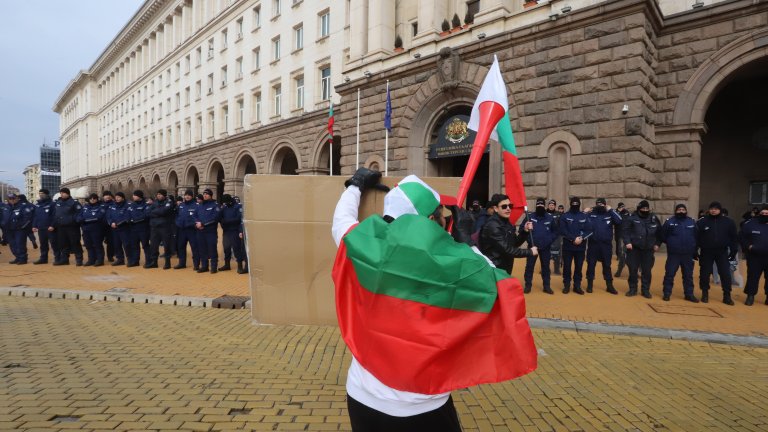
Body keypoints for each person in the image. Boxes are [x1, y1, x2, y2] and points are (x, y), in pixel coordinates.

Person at [331, 169, 536, 432]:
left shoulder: (362, 246)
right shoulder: (457, 265)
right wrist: (466, 243)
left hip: (362, 396)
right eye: (441, 215)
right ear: (429, 219)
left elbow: (341, 219)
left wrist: (355, 186)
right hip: (422, 406)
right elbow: (499, 285)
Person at [479, 194, 536, 275]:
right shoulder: (492, 225)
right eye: (504, 206)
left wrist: (525, 231)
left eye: (510, 205)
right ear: (496, 209)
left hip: (505, 267)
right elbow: (507, 250)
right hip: (494, 268)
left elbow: (514, 243)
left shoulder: (506, 222)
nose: (508, 208)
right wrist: (529, 252)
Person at [696, 201, 738, 305]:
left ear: (720, 210)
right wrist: (695, 250)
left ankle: (727, 295)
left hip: (722, 252)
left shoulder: (728, 222)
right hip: (706, 252)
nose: (713, 210)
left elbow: (734, 237)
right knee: (704, 274)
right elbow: (696, 237)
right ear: (709, 210)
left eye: (716, 208)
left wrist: (734, 250)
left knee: (725, 274)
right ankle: (705, 293)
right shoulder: (702, 222)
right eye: (711, 208)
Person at [622, 200, 662, 298]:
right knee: (633, 270)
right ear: (639, 209)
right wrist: (627, 242)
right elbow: (625, 231)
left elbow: (660, 233)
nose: (645, 210)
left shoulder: (653, 218)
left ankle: (645, 290)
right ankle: (632, 289)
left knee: (647, 271)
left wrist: (657, 244)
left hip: (648, 249)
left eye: (646, 208)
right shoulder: (632, 218)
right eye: (643, 208)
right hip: (634, 249)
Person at [660, 204, 699, 302]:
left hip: (687, 254)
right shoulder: (670, 222)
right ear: (675, 211)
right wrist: (671, 243)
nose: (681, 211)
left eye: (683, 209)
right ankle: (667, 293)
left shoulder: (691, 221)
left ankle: (689, 294)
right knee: (670, 274)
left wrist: (694, 249)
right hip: (674, 254)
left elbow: (696, 236)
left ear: (686, 211)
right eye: (679, 209)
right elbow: (663, 235)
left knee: (688, 275)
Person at [585, 198, 622, 294]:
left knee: (607, 265)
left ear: (605, 205)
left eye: (602, 204)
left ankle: (609, 286)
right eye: (598, 204)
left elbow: (619, 221)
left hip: (606, 245)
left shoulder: (609, 214)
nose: (600, 205)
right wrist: (584, 212)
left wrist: (611, 210)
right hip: (593, 244)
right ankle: (589, 285)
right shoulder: (591, 214)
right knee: (591, 264)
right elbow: (580, 220)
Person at [559, 197, 592, 294]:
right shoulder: (565, 216)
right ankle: (566, 285)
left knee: (579, 267)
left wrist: (581, 238)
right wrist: (573, 239)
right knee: (567, 266)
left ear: (579, 204)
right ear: (570, 204)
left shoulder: (584, 216)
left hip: (580, 247)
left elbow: (589, 230)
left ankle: (577, 286)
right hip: (568, 247)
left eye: (576, 203)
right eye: (573, 203)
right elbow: (562, 230)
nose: (575, 205)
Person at [523, 198, 556, 294]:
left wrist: (549, 240)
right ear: (536, 206)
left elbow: (555, 231)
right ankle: (528, 285)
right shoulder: (529, 217)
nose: (540, 207)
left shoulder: (550, 218)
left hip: (545, 247)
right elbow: (522, 229)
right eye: (538, 205)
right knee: (529, 266)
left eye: (542, 205)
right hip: (532, 247)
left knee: (545, 267)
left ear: (544, 206)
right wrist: (530, 241)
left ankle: (547, 286)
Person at [741, 205, 768, 306]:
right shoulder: (750, 224)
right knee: (753, 277)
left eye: (767, 214)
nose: (765, 215)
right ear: (759, 214)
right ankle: (750, 296)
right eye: (763, 213)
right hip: (754, 256)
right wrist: (748, 246)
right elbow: (742, 237)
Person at [50, 187, 84, 266]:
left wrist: (74, 220)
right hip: (61, 227)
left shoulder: (74, 203)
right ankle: (64, 259)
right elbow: (56, 215)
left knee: (75, 243)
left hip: (72, 227)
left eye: (63, 193)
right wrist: (53, 225)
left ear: (68, 193)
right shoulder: (58, 203)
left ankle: (79, 259)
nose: (62, 194)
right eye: (61, 193)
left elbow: (79, 213)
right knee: (63, 244)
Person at [195, 189, 221, 273]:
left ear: (211, 195)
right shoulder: (200, 205)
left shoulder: (215, 205)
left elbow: (215, 218)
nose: (205, 195)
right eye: (204, 194)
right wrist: (197, 223)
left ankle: (213, 267)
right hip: (200, 231)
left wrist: (203, 224)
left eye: (207, 194)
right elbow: (195, 216)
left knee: (212, 249)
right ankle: (204, 266)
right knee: (202, 249)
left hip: (210, 231)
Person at [147, 189, 175, 269]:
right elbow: (148, 212)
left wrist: (155, 212)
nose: (158, 195)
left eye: (160, 194)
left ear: (164, 195)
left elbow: (164, 211)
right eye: (157, 194)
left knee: (166, 245)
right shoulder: (155, 202)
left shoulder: (168, 202)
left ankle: (167, 263)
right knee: (153, 246)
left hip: (165, 227)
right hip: (154, 228)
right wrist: (158, 213)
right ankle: (154, 262)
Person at [219, 194, 246, 273]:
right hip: (226, 231)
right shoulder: (224, 207)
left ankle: (240, 266)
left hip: (234, 230)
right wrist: (222, 223)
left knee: (236, 248)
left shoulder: (237, 207)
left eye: (226, 202)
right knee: (226, 248)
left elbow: (238, 218)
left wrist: (227, 222)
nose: (225, 203)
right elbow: (220, 217)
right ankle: (227, 265)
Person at [77, 193, 106, 266]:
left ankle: (100, 260)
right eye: (91, 198)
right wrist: (81, 219)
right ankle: (91, 259)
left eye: (94, 198)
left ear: (97, 199)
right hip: (86, 230)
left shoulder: (100, 207)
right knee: (88, 245)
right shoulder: (85, 207)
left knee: (97, 245)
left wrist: (87, 220)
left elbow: (99, 216)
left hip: (96, 229)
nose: (92, 200)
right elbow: (79, 217)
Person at [5, 193, 34, 264]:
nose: (12, 200)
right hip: (9, 229)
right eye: (10, 199)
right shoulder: (7, 207)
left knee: (20, 244)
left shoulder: (23, 206)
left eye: (13, 198)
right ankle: (18, 257)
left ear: (17, 198)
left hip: (19, 230)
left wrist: (22, 226)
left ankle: (23, 258)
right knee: (12, 244)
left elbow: (28, 218)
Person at [32, 189, 59, 265]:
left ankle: (57, 258)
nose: (41, 195)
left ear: (47, 194)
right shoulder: (37, 204)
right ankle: (43, 258)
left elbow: (55, 216)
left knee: (54, 244)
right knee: (43, 244)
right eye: (40, 193)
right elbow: (35, 216)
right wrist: (34, 225)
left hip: (50, 228)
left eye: (42, 193)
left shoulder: (52, 204)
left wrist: (52, 225)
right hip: (41, 228)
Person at [174, 190, 199, 270]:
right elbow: (177, 215)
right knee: (181, 247)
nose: (187, 196)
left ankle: (196, 264)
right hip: (182, 229)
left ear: (192, 196)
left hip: (192, 230)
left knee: (194, 247)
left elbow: (198, 217)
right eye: (186, 195)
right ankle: (182, 263)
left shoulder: (196, 205)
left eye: (189, 195)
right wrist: (177, 222)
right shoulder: (181, 205)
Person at [127, 190, 151, 267]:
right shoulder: (131, 205)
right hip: (133, 229)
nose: (133, 196)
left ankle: (149, 261)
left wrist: (135, 220)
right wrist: (129, 220)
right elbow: (128, 214)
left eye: (135, 195)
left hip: (143, 228)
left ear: (139, 196)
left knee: (145, 245)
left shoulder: (146, 205)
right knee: (134, 245)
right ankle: (135, 261)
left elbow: (146, 216)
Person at [106, 192, 131, 266]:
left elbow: (128, 217)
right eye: (116, 197)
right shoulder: (112, 206)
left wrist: (119, 223)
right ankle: (120, 259)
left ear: (123, 198)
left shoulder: (127, 205)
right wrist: (111, 223)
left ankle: (130, 259)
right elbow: (108, 216)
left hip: (124, 228)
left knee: (126, 244)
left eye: (119, 197)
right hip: (114, 229)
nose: (117, 198)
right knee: (117, 244)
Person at [613, 202, 630, 277]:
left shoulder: (627, 212)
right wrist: (618, 212)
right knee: (619, 247)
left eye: (624, 206)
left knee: (628, 252)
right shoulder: (616, 212)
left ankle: (636, 272)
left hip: (626, 233)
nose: (623, 207)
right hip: (619, 232)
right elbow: (616, 220)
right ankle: (619, 257)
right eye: (621, 206)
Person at [546, 200, 562, 276]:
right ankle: (545, 269)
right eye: (550, 205)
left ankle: (556, 269)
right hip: (546, 236)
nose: (551, 206)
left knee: (557, 253)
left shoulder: (558, 214)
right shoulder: (544, 213)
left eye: (553, 205)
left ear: (555, 206)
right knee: (545, 253)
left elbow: (561, 225)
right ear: (548, 205)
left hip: (556, 237)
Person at [101, 191, 115, 262]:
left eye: (108, 195)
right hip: (101, 226)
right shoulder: (100, 204)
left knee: (110, 242)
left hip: (110, 226)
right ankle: (100, 257)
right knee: (98, 242)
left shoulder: (114, 204)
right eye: (105, 195)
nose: (107, 197)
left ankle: (110, 256)